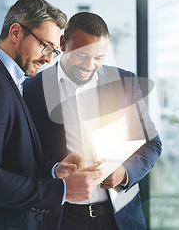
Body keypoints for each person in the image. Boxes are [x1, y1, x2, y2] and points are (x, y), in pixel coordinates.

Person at [0, 0, 105, 230]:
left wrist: (55, 170)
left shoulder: (6, 81)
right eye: (44, 46)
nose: (48, 59)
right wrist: (63, 190)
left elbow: (5, 161)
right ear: (15, 32)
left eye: (53, 51)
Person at [24, 12, 162, 229]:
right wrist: (55, 169)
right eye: (82, 55)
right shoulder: (31, 90)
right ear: (63, 43)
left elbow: (152, 144)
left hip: (120, 219)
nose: (89, 65)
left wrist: (124, 173)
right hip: (62, 219)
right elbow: (24, 158)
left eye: (98, 58)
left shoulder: (124, 83)